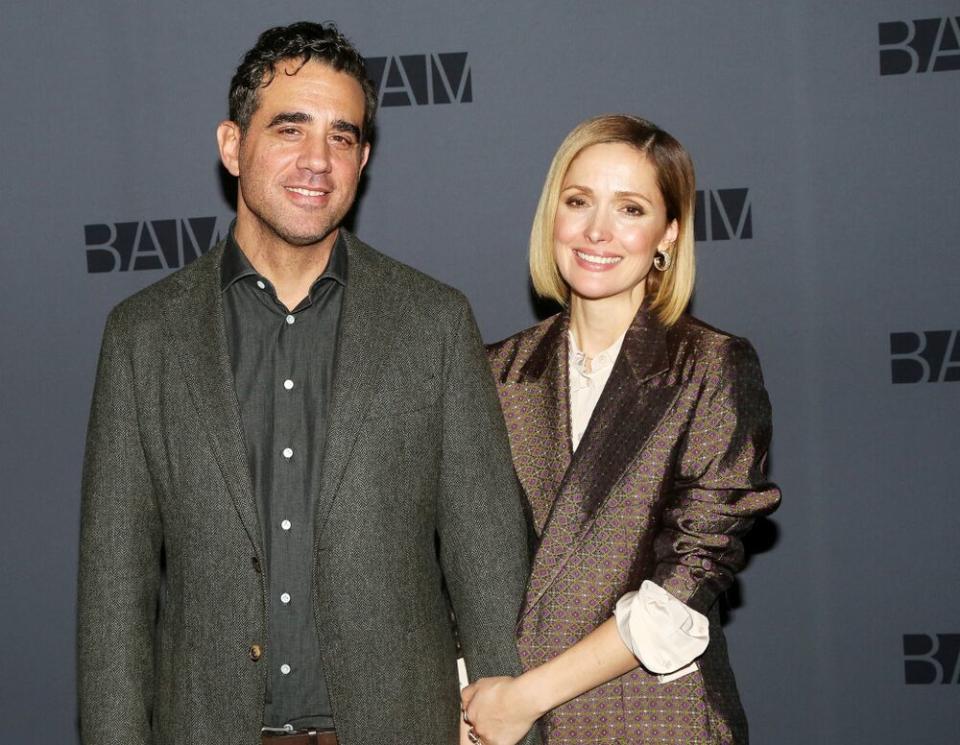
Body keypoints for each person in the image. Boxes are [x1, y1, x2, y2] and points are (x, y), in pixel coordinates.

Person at [77, 22, 535, 745]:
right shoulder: (144, 336)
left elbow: (490, 574)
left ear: (364, 159)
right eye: (290, 128)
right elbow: (113, 598)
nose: (318, 160)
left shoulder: (433, 322)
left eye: (343, 136)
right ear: (233, 145)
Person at [461, 115, 781, 745]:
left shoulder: (710, 366)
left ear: (669, 233)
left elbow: (689, 578)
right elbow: (463, 563)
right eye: (578, 202)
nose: (596, 231)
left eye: (630, 208)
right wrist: (467, 699)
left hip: (652, 720)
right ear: (551, 216)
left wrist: (525, 697)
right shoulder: (494, 371)